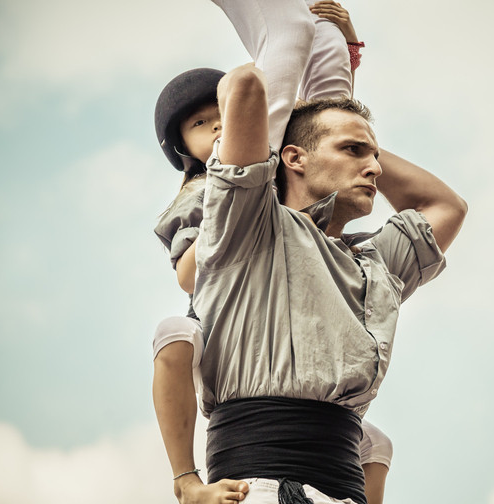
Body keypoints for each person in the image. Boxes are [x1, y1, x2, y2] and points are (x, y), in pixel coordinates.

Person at [169, 60, 466, 503]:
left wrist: (358, 141)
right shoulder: (246, 226)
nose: (375, 169)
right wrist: (296, 119)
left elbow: (445, 206)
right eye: (353, 151)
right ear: (293, 158)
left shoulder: (376, 264)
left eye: (375, 156)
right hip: (254, 491)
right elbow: (244, 84)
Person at [152, 4, 395, 502]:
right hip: (239, 320)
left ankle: (320, 35)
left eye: (222, 117)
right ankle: (183, 478)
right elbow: (188, 277)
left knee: (316, 126)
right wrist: (230, 226)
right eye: (202, 124)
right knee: (173, 332)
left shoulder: (285, 180)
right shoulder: (200, 196)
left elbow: (323, 138)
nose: (220, 128)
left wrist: (345, 47)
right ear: (184, 150)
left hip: (295, 305)